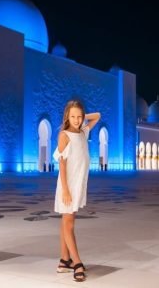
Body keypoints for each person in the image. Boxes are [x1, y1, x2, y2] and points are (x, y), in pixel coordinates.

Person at [53, 100, 101, 282]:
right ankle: (77, 262)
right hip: (68, 185)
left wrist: (82, 116)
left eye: (79, 116)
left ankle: (64, 260)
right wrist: (65, 190)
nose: (76, 119)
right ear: (67, 116)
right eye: (72, 116)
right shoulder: (64, 135)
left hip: (79, 184)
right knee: (68, 223)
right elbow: (62, 165)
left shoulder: (83, 132)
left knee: (67, 220)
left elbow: (98, 116)